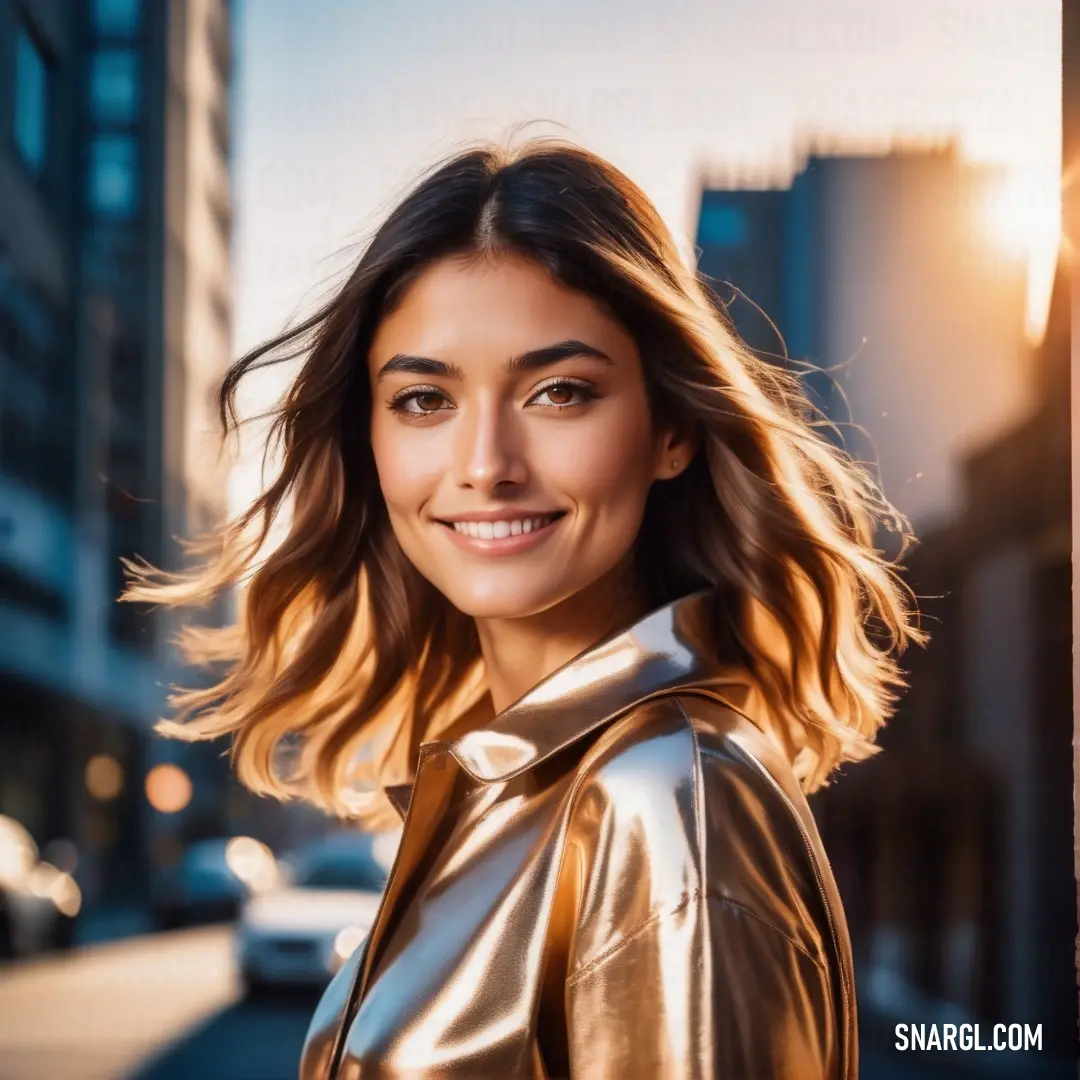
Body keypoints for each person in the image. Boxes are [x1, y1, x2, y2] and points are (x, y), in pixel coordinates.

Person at [123, 133, 924, 1079]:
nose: (485, 465)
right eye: (424, 400)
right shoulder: (515, 786)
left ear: (670, 428)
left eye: (559, 392)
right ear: (369, 439)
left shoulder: (669, 805)